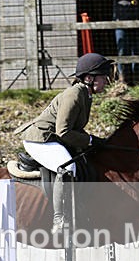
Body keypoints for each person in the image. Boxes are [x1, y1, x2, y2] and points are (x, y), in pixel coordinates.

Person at [15, 52, 114, 234]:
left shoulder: (85, 94)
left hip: (53, 138)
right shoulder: (74, 94)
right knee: (68, 168)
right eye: (103, 77)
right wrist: (91, 140)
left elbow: (73, 128)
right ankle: (59, 219)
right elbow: (64, 131)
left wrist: (96, 142)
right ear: (89, 78)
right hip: (41, 139)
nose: (107, 81)